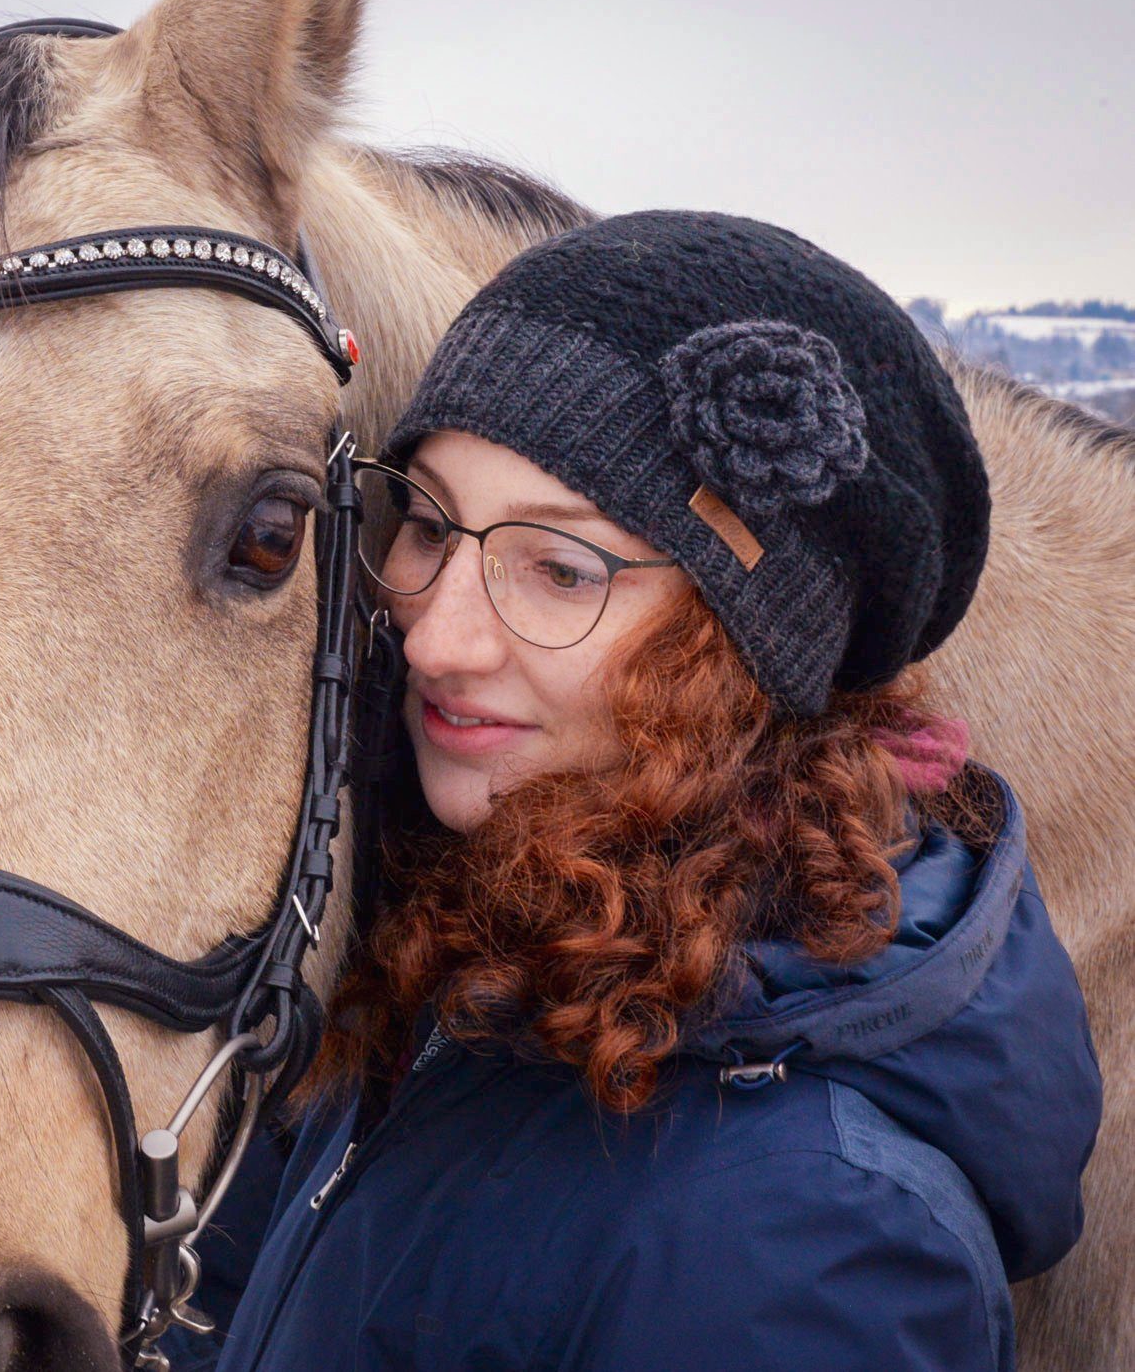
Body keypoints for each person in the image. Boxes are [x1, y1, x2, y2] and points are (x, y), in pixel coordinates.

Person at [194, 212, 1102, 1372]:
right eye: (426, 523)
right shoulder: (455, 967)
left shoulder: (809, 1242)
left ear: (737, 657)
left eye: (561, 568)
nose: (435, 636)